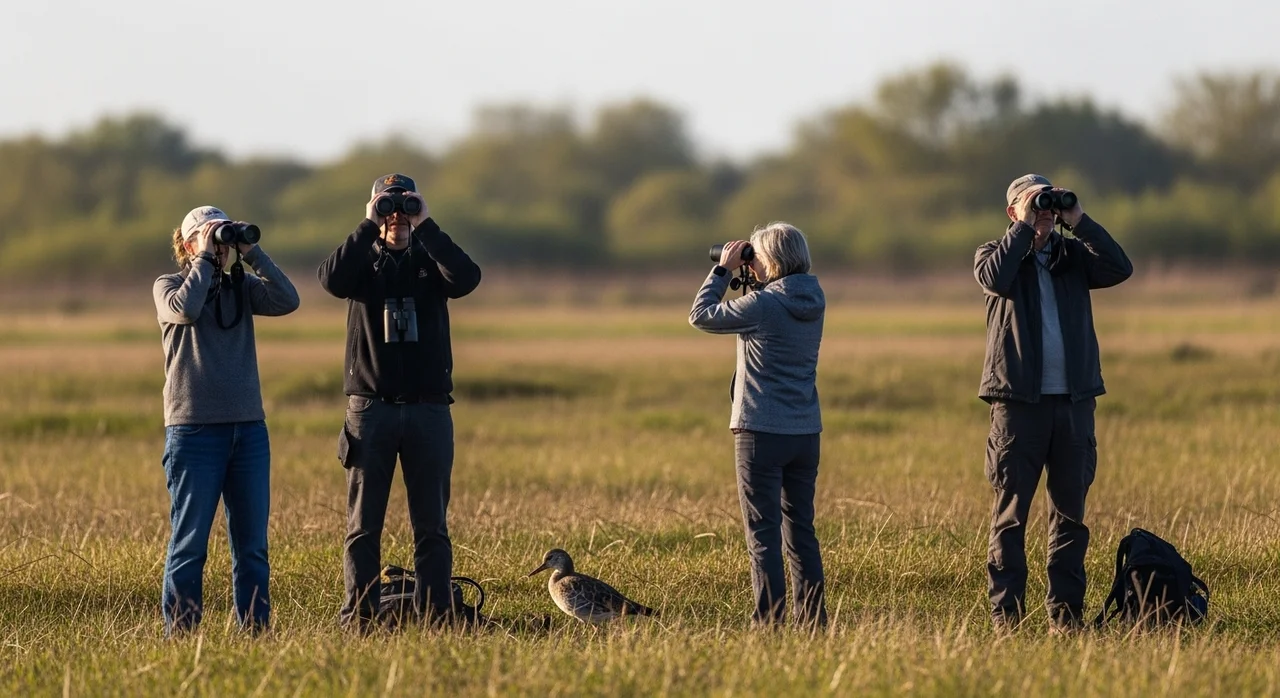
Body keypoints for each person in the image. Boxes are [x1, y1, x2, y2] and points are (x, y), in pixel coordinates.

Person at [317, 173, 482, 630]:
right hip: (371, 409)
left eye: (405, 207)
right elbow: (330, 280)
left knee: (432, 526)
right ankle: (360, 617)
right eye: (387, 207)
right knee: (363, 526)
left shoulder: (431, 259)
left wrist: (426, 225)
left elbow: (468, 278)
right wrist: (368, 226)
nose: (397, 217)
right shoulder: (361, 264)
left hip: (429, 407)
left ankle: (436, 617)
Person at [974, 174, 1133, 632]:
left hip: (1074, 401)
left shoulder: (1074, 257)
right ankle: (1008, 619)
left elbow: (1120, 268)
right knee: (1011, 516)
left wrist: (1077, 218)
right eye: (1034, 202)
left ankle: (1065, 617)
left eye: (1048, 200)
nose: (1045, 207)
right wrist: (1024, 229)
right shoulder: (996, 256)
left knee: (1070, 517)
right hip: (1018, 405)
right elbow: (994, 279)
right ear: (1012, 212)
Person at [153, 205, 300, 635]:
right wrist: (203, 259)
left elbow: (288, 299)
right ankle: (181, 636)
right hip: (194, 430)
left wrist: (252, 253)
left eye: (222, 235)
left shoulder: (242, 287)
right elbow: (185, 310)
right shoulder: (169, 285)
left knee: (252, 548)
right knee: (190, 544)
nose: (220, 244)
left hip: (248, 429)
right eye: (209, 235)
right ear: (185, 243)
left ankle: (254, 633)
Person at [689, 222, 827, 628]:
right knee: (801, 533)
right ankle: (813, 621)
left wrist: (723, 271)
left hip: (760, 432)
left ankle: (769, 623)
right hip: (805, 431)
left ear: (769, 261)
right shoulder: (814, 298)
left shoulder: (763, 306)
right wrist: (755, 278)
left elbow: (701, 316)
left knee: (763, 534)